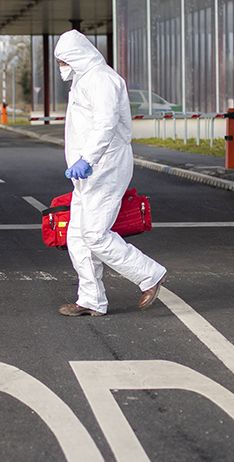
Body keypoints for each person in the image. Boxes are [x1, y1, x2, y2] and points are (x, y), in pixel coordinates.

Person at [54, 30, 166, 317]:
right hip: (87, 173)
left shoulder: (102, 79)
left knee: (94, 234)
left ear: (77, 56)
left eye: (63, 61)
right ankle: (91, 299)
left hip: (105, 168)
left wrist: (88, 159)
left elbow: (105, 124)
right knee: (77, 237)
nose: (61, 67)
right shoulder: (83, 79)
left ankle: (149, 274)